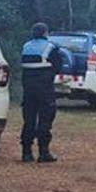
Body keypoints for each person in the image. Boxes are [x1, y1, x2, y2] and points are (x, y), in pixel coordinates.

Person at [20, 22, 67, 163]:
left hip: (28, 87)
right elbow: (58, 66)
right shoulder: (51, 47)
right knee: (45, 118)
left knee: (29, 119)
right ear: (46, 33)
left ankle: (26, 152)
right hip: (44, 87)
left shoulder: (26, 46)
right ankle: (43, 152)